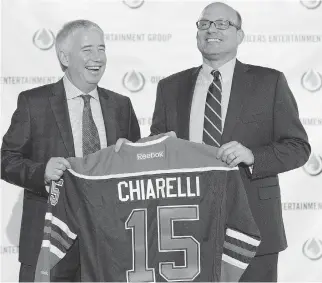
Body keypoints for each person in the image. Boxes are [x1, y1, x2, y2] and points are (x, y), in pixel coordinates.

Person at [150, 2, 310, 282]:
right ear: (197, 33)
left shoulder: (269, 82)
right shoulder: (170, 88)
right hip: (187, 229)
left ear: (240, 35)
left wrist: (253, 156)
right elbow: (157, 146)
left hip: (254, 228)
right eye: (205, 24)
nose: (212, 30)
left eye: (223, 24)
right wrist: (149, 148)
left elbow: (298, 148)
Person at [1, 20, 141, 282]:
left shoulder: (121, 105)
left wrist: (133, 156)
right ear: (64, 57)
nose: (97, 58)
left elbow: (137, 167)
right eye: (87, 50)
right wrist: (41, 171)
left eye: (102, 49)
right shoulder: (34, 103)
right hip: (49, 243)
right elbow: (6, 160)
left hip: (109, 244)